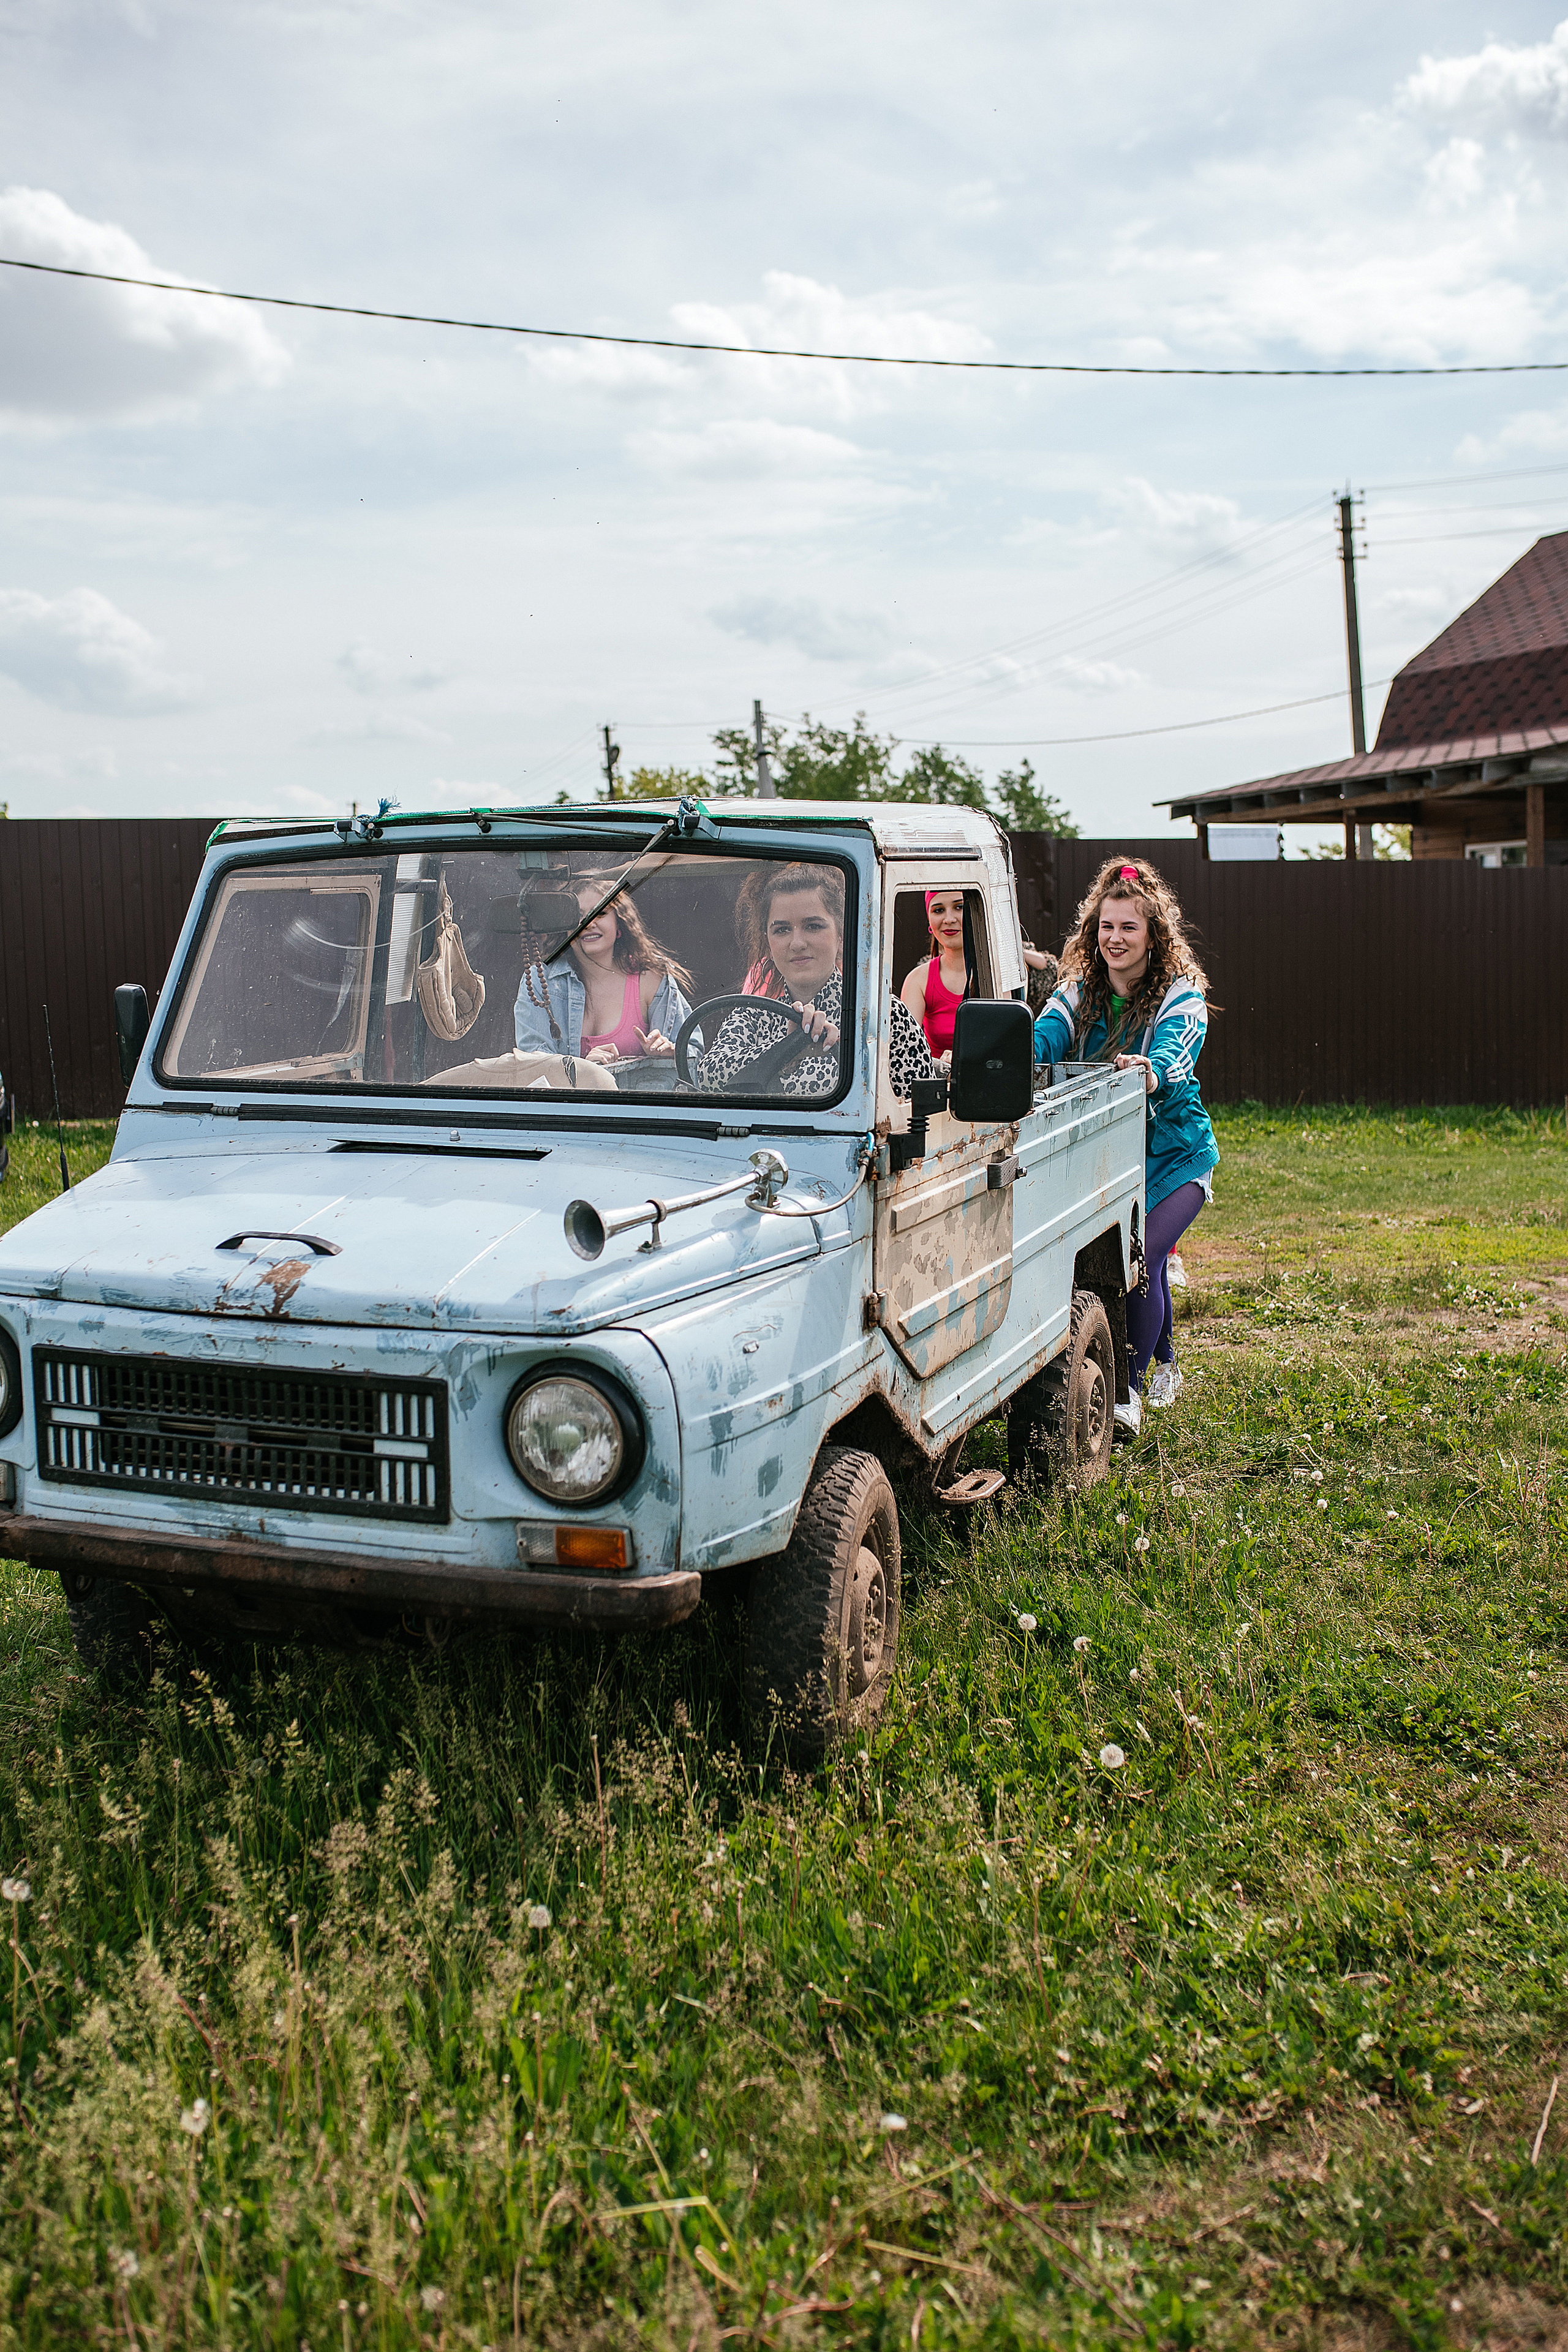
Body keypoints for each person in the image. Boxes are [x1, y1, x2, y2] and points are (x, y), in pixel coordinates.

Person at [1032, 857, 1217, 1437]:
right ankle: (1166, 1364)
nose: (1115, 939)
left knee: (1145, 1260)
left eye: (1129, 928)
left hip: (1176, 1156)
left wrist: (1150, 1070)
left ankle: (1128, 1393)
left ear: (1153, 935)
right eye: (1106, 927)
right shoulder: (1077, 991)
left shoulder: (1180, 995)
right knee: (1143, 1262)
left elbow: (1176, 1054)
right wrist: (1016, 1054)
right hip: (1110, 1154)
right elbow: (1046, 1034)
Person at [696, 863, 845, 1096]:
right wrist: (788, 1051)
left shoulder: (882, 1016)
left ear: (841, 934)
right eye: (782, 930)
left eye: (813, 926)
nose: (797, 943)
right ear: (767, 942)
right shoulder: (753, 1012)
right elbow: (708, 1076)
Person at [513, 873, 693, 1065]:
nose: (589, 924)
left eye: (600, 913)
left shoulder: (651, 977)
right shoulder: (540, 982)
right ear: (564, 927)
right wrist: (583, 1069)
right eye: (578, 916)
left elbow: (692, 1052)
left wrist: (669, 1051)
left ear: (619, 922)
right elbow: (533, 1064)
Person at [901, 888, 972, 1059]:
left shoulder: (1001, 975)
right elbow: (905, 1053)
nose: (949, 919)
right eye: (938, 910)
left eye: (959, 907)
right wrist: (942, 1065)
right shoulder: (917, 980)